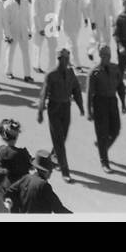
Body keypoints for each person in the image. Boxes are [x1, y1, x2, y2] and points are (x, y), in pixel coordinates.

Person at [36, 48, 85, 181]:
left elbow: (76, 89)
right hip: (54, 108)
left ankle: (52, 158)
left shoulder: (70, 73)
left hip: (66, 107)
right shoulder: (51, 75)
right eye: (61, 59)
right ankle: (65, 171)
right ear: (58, 60)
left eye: (66, 59)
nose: (64, 61)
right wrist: (40, 111)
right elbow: (43, 94)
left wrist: (81, 106)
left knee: (62, 137)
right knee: (59, 140)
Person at [87, 45, 126, 172]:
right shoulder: (95, 72)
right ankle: (104, 161)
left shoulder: (115, 69)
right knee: (102, 133)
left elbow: (120, 87)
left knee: (116, 129)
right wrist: (89, 110)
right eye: (103, 55)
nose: (105, 58)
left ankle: (102, 148)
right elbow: (89, 93)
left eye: (107, 55)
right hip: (100, 103)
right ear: (100, 56)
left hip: (112, 101)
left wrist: (123, 103)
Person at [2, 0, 33, 82]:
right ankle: (8, 72)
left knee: (26, 54)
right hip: (12, 32)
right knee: (10, 53)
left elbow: (28, 17)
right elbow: (5, 21)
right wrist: (7, 35)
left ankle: (27, 75)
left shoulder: (25, 2)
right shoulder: (8, 4)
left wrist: (29, 30)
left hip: (23, 31)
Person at [56, 0, 87, 69]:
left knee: (70, 43)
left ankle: (65, 58)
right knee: (74, 44)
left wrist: (85, 18)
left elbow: (83, 7)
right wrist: (58, 23)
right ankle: (77, 64)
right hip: (68, 25)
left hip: (77, 24)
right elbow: (60, 10)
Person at [31, 0, 57, 74]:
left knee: (52, 46)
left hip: (50, 25)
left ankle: (52, 66)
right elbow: (35, 14)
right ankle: (36, 65)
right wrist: (40, 28)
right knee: (37, 46)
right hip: (39, 26)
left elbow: (53, 11)